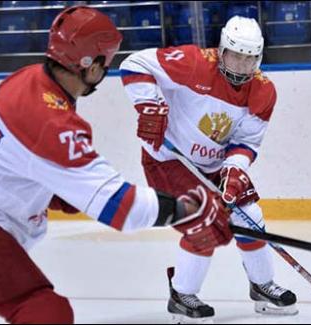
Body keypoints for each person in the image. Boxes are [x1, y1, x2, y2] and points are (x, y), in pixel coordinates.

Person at [0, 6, 233, 324]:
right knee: (45, 312)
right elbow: (120, 207)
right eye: (107, 61)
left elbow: (7, 156)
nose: (108, 69)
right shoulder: (51, 121)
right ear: (91, 64)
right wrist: (191, 209)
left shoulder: (27, 80)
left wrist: (53, 189)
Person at [119, 15, 298, 322]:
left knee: (250, 215)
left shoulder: (264, 92)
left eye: (249, 60)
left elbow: (246, 143)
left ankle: (262, 284)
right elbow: (134, 63)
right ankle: (182, 295)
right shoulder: (193, 63)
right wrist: (149, 105)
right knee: (203, 222)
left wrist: (234, 171)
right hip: (169, 159)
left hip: (214, 165)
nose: (242, 66)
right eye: (236, 57)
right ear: (222, 50)